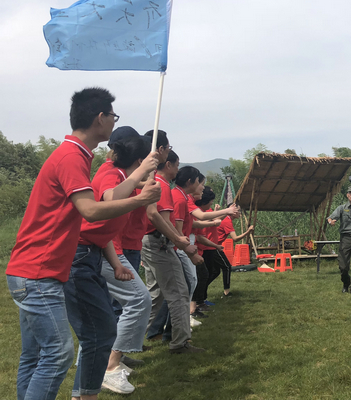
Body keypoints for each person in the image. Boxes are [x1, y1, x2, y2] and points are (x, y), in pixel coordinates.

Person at [5, 88, 160, 400]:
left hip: (35, 269)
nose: (114, 122)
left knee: (36, 355)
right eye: (113, 116)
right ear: (100, 118)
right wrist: (140, 199)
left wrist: (139, 177)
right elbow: (90, 210)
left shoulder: (76, 155)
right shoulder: (72, 156)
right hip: (39, 272)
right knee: (57, 354)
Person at [66, 134, 159, 398]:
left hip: (96, 253)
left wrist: (116, 264)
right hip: (82, 256)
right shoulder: (111, 173)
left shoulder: (116, 173)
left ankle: (85, 389)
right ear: (139, 160)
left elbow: (101, 229)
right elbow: (109, 199)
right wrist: (141, 188)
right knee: (105, 326)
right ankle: (110, 367)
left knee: (97, 330)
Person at [141, 149, 204, 354]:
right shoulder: (163, 186)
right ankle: (179, 342)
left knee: (155, 296)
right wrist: (180, 242)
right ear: (168, 165)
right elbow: (162, 220)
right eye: (176, 165)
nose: (178, 169)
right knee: (179, 293)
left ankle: (129, 341)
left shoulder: (157, 184)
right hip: (160, 244)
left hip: (151, 242)